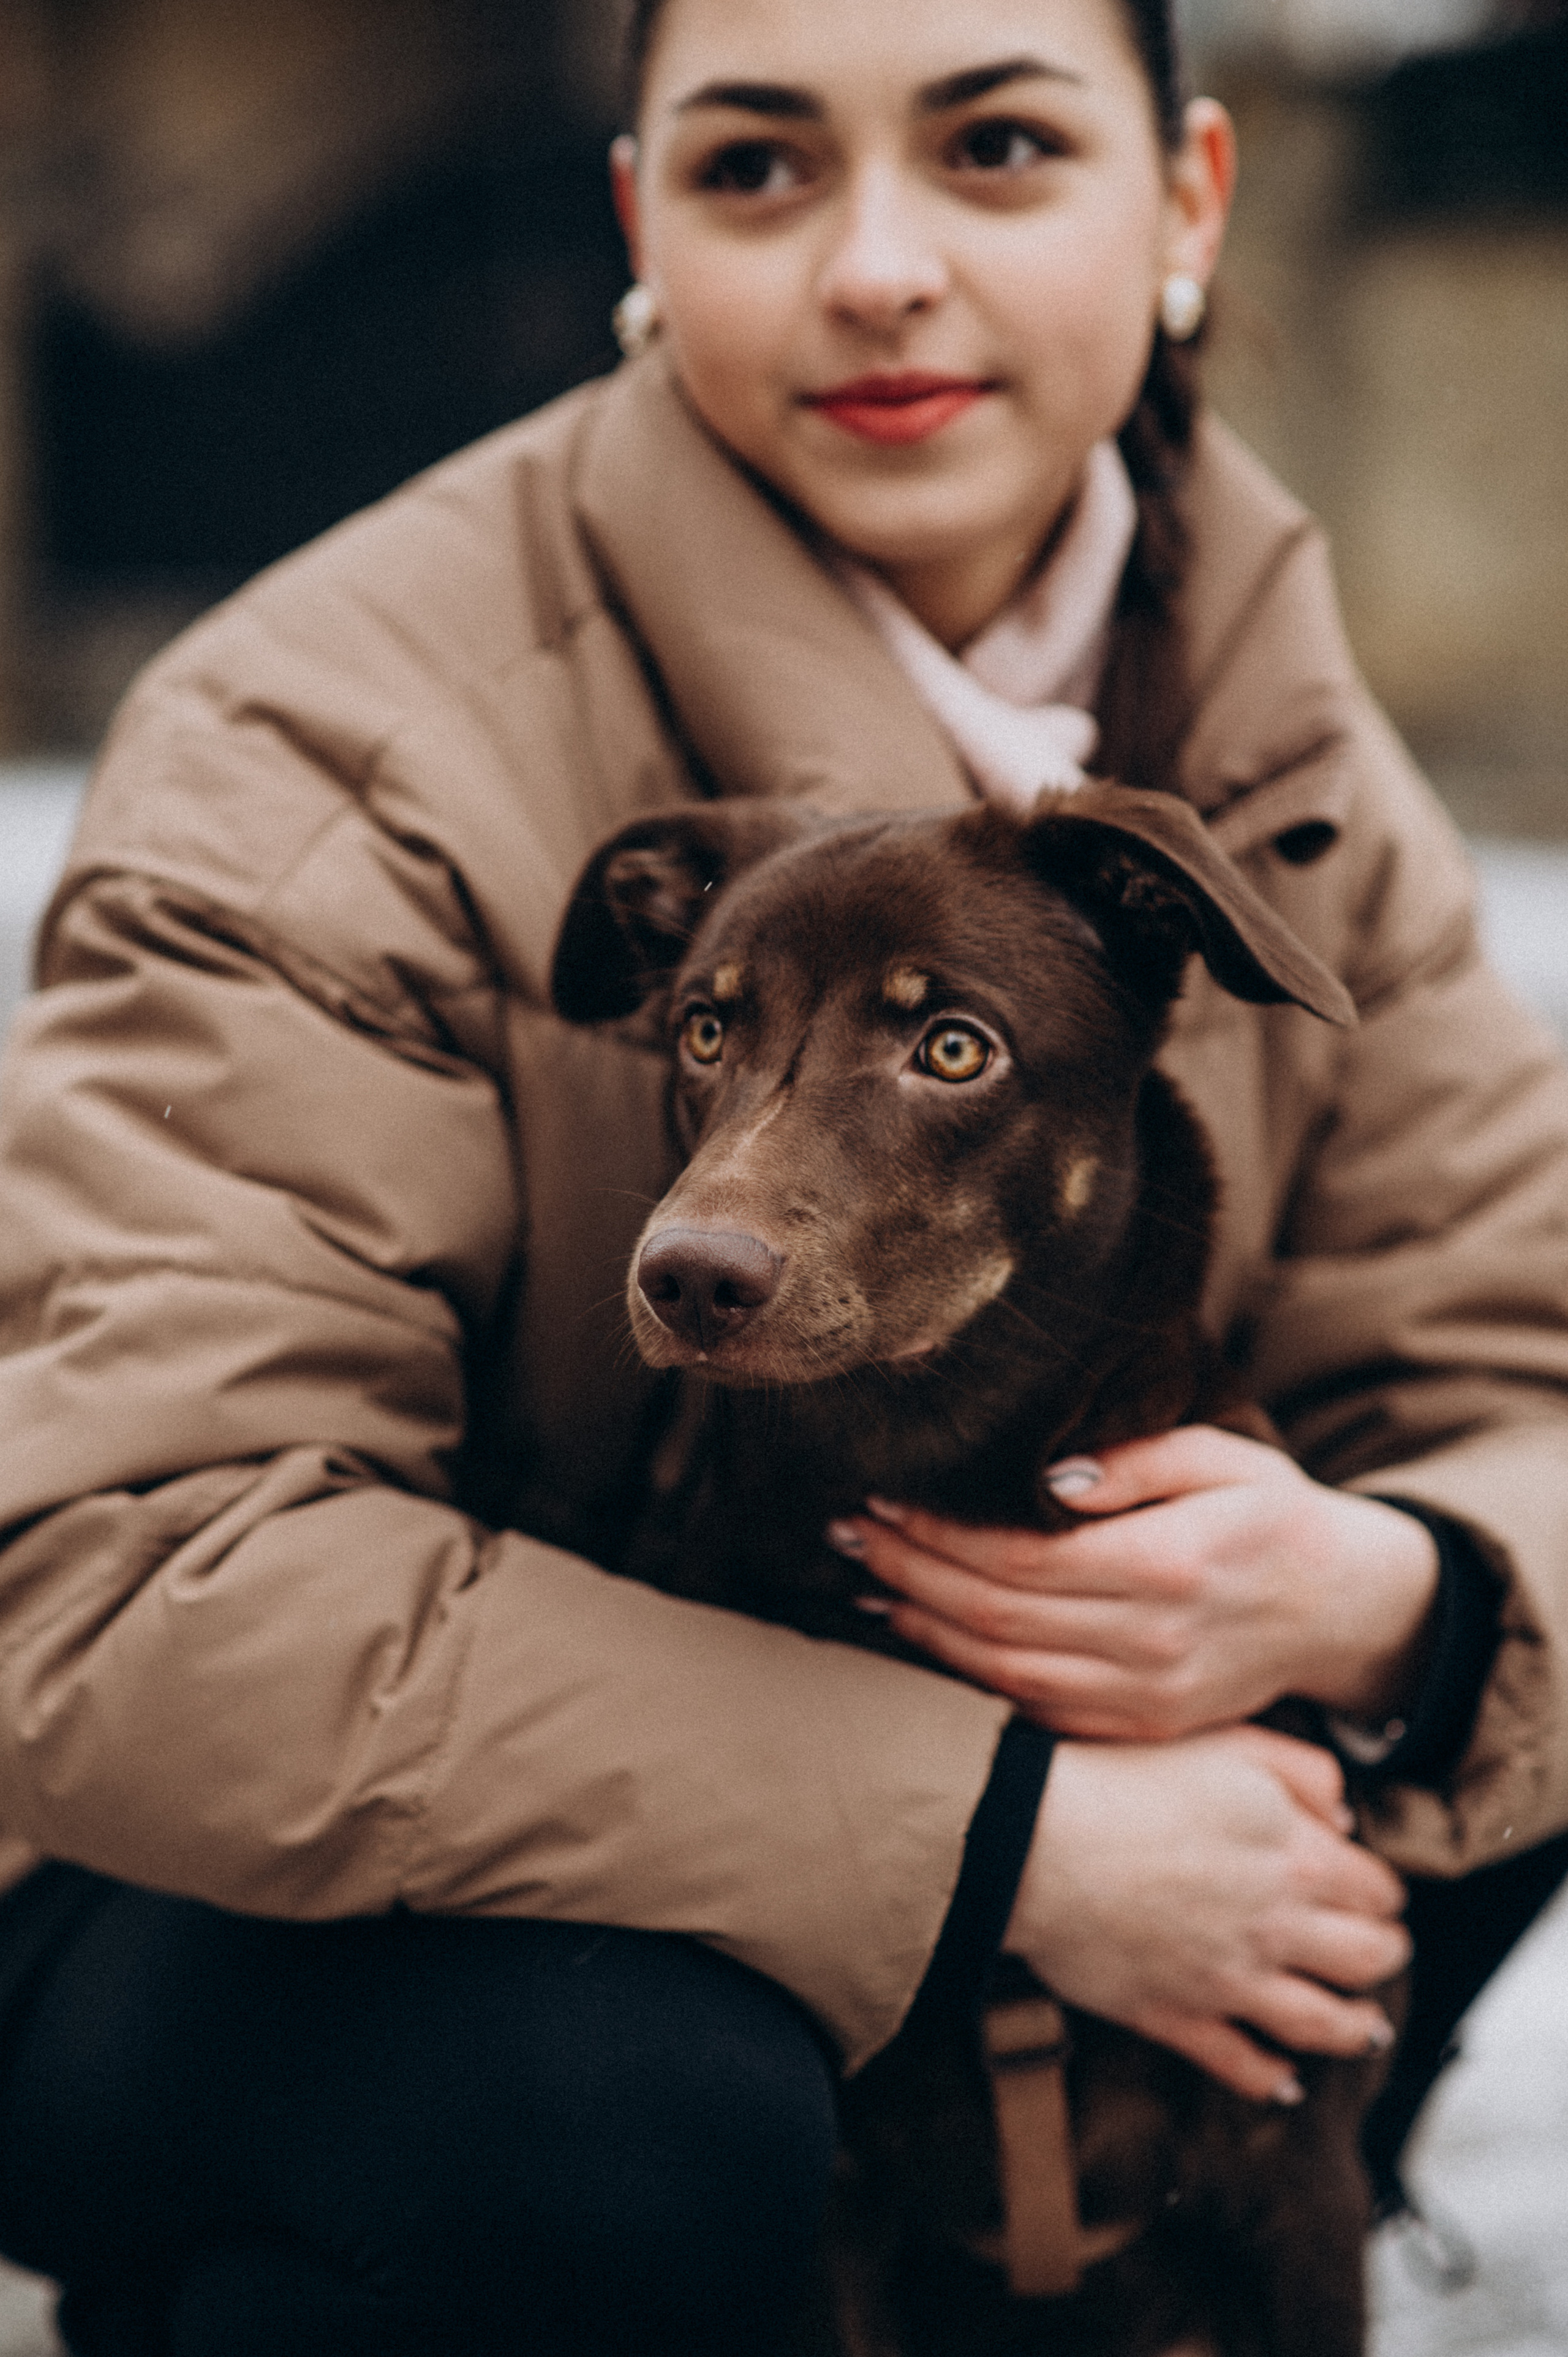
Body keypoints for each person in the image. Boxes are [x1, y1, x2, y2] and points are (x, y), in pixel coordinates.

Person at [0, 0, 1563, 2348]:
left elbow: (1519, 1363)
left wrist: (1403, 1596)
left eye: (1002, 147)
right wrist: (1002, 1837)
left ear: (1191, 206)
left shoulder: (1267, 726)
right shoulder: (323, 744)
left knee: (1504, 1712)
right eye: (757, 170)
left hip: (986, 1817)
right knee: (631, 2103)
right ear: (640, 222)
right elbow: (123, 1592)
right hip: (230, 1891)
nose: (878, 267)